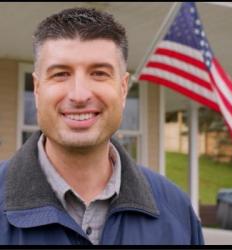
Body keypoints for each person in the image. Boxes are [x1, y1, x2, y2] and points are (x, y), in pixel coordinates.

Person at [0, 7, 204, 245]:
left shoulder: (176, 211)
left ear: (123, 88)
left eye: (98, 73)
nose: (79, 95)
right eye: (60, 74)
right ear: (37, 89)